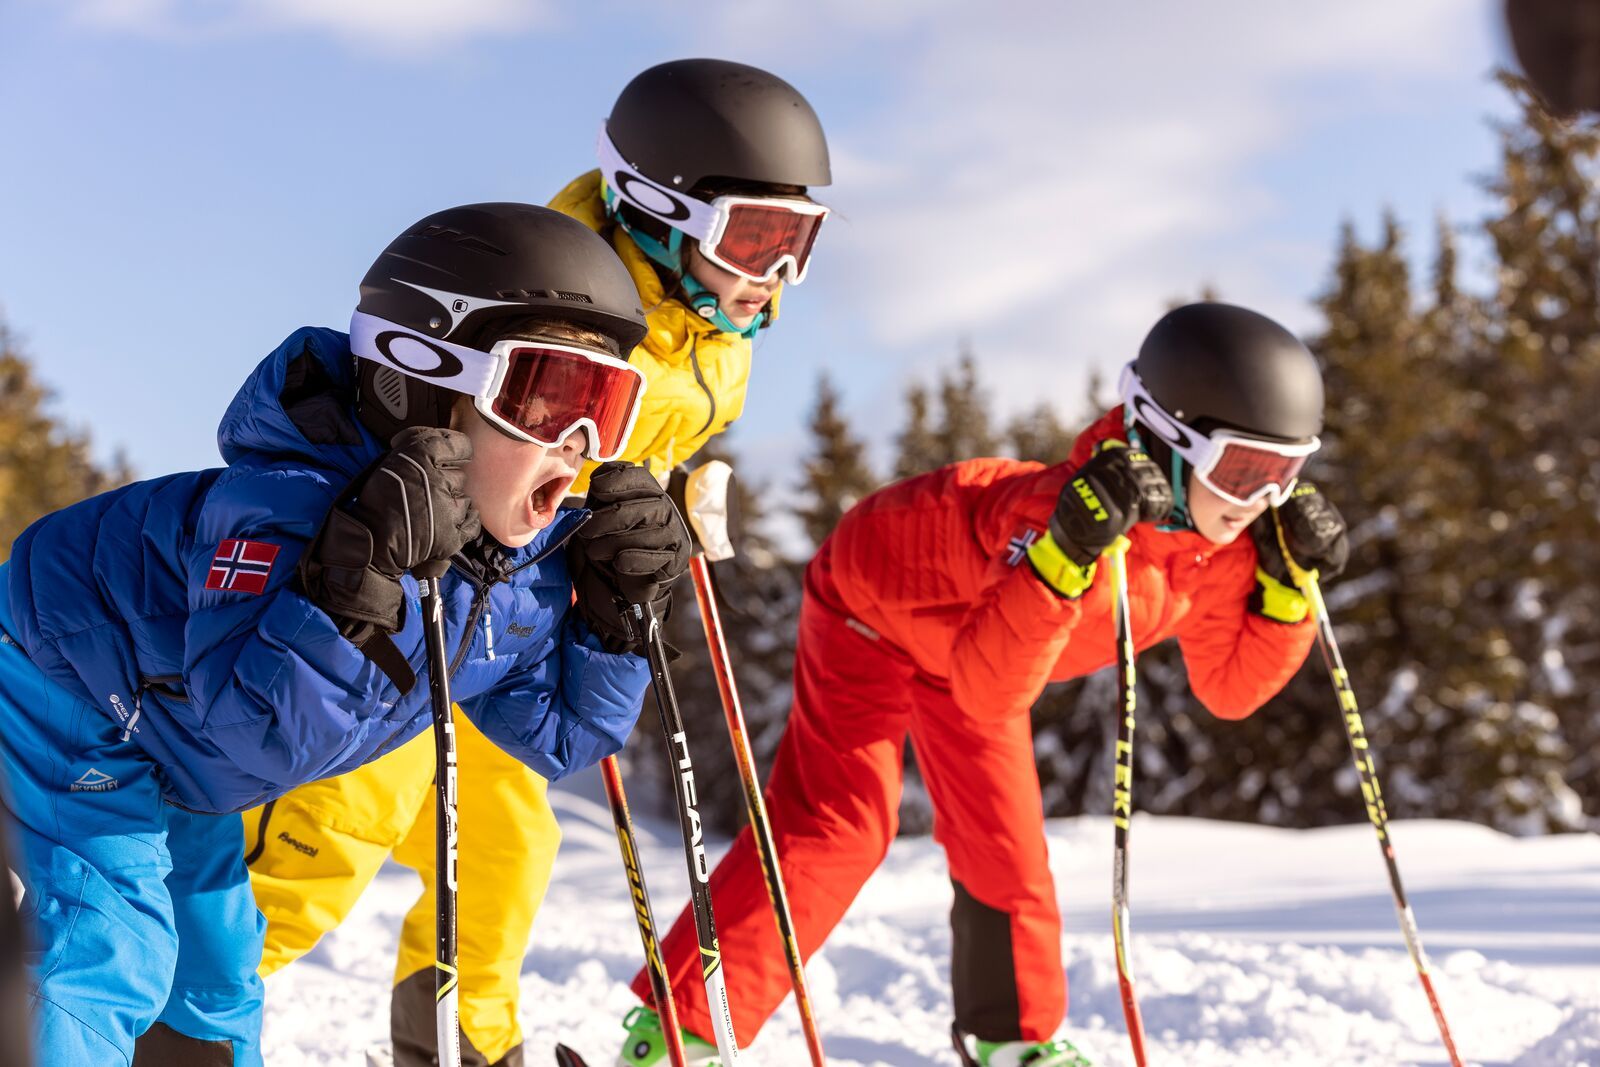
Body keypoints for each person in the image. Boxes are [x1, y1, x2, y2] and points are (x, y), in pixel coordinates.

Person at [0, 201, 689, 1067]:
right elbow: (260, 731)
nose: (578, 445)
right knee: (107, 943)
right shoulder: (285, 507)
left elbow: (561, 736)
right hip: (57, 676)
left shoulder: (507, 563)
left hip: (175, 750)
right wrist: (354, 583)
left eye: (606, 406)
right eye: (545, 400)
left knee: (214, 979)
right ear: (424, 382)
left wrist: (612, 620)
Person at [243, 58, 832, 1067]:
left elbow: (641, 458)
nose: (770, 279)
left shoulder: (718, 345)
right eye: (753, 240)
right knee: (332, 828)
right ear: (657, 205)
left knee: (510, 844)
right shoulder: (551, 295)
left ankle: (465, 1042)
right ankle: (144, 1007)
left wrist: (661, 518)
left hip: (510, 631)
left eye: (798, 245)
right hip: (411, 606)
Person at [617, 303, 1352, 1066]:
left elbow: (1230, 688)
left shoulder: (1213, 550)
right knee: (841, 827)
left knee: (1006, 845)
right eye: (1244, 470)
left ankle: (1014, 1039)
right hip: (871, 611)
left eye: (1287, 473)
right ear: (1168, 440)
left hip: (980, 658)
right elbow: (989, 691)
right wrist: (1063, 559)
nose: (1260, 500)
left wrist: (1284, 593)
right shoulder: (1053, 519)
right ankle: (679, 1035)